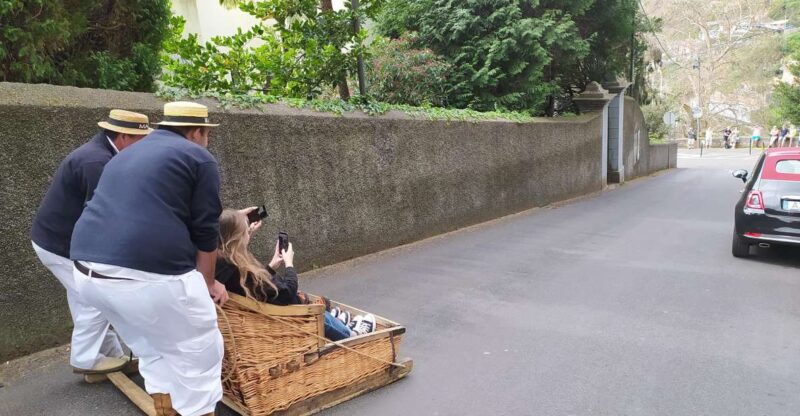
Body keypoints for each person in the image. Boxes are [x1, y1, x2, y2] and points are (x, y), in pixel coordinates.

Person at [71, 102, 225, 416]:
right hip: (147, 277)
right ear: (197, 132)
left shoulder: (125, 154)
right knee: (199, 355)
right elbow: (206, 229)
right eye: (207, 133)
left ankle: (165, 408)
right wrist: (207, 283)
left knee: (153, 351)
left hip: (86, 270)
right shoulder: (199, 157)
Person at [30, 110, 151, 374]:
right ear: (123, 136)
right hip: (60, 244)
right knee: (97, 298)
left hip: (56, 239)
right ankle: (85, 359)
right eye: (140, 138)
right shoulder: (97, 162)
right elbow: (104, 214)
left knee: (84, 298)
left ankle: (108, 354)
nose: (144, 144)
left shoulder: (102, 154)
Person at [215, 209, 377, 341]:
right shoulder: (239, 269)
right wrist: (289, 263)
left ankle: (338, 320)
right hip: (290, 315)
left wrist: (272, 265)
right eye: (245, 232)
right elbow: (287, 291)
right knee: (318, 314)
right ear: (238, 239)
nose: (248, 234)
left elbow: (256, 285)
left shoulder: (224, 266)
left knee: (315, 305)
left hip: (269, 308)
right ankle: (353, 334)